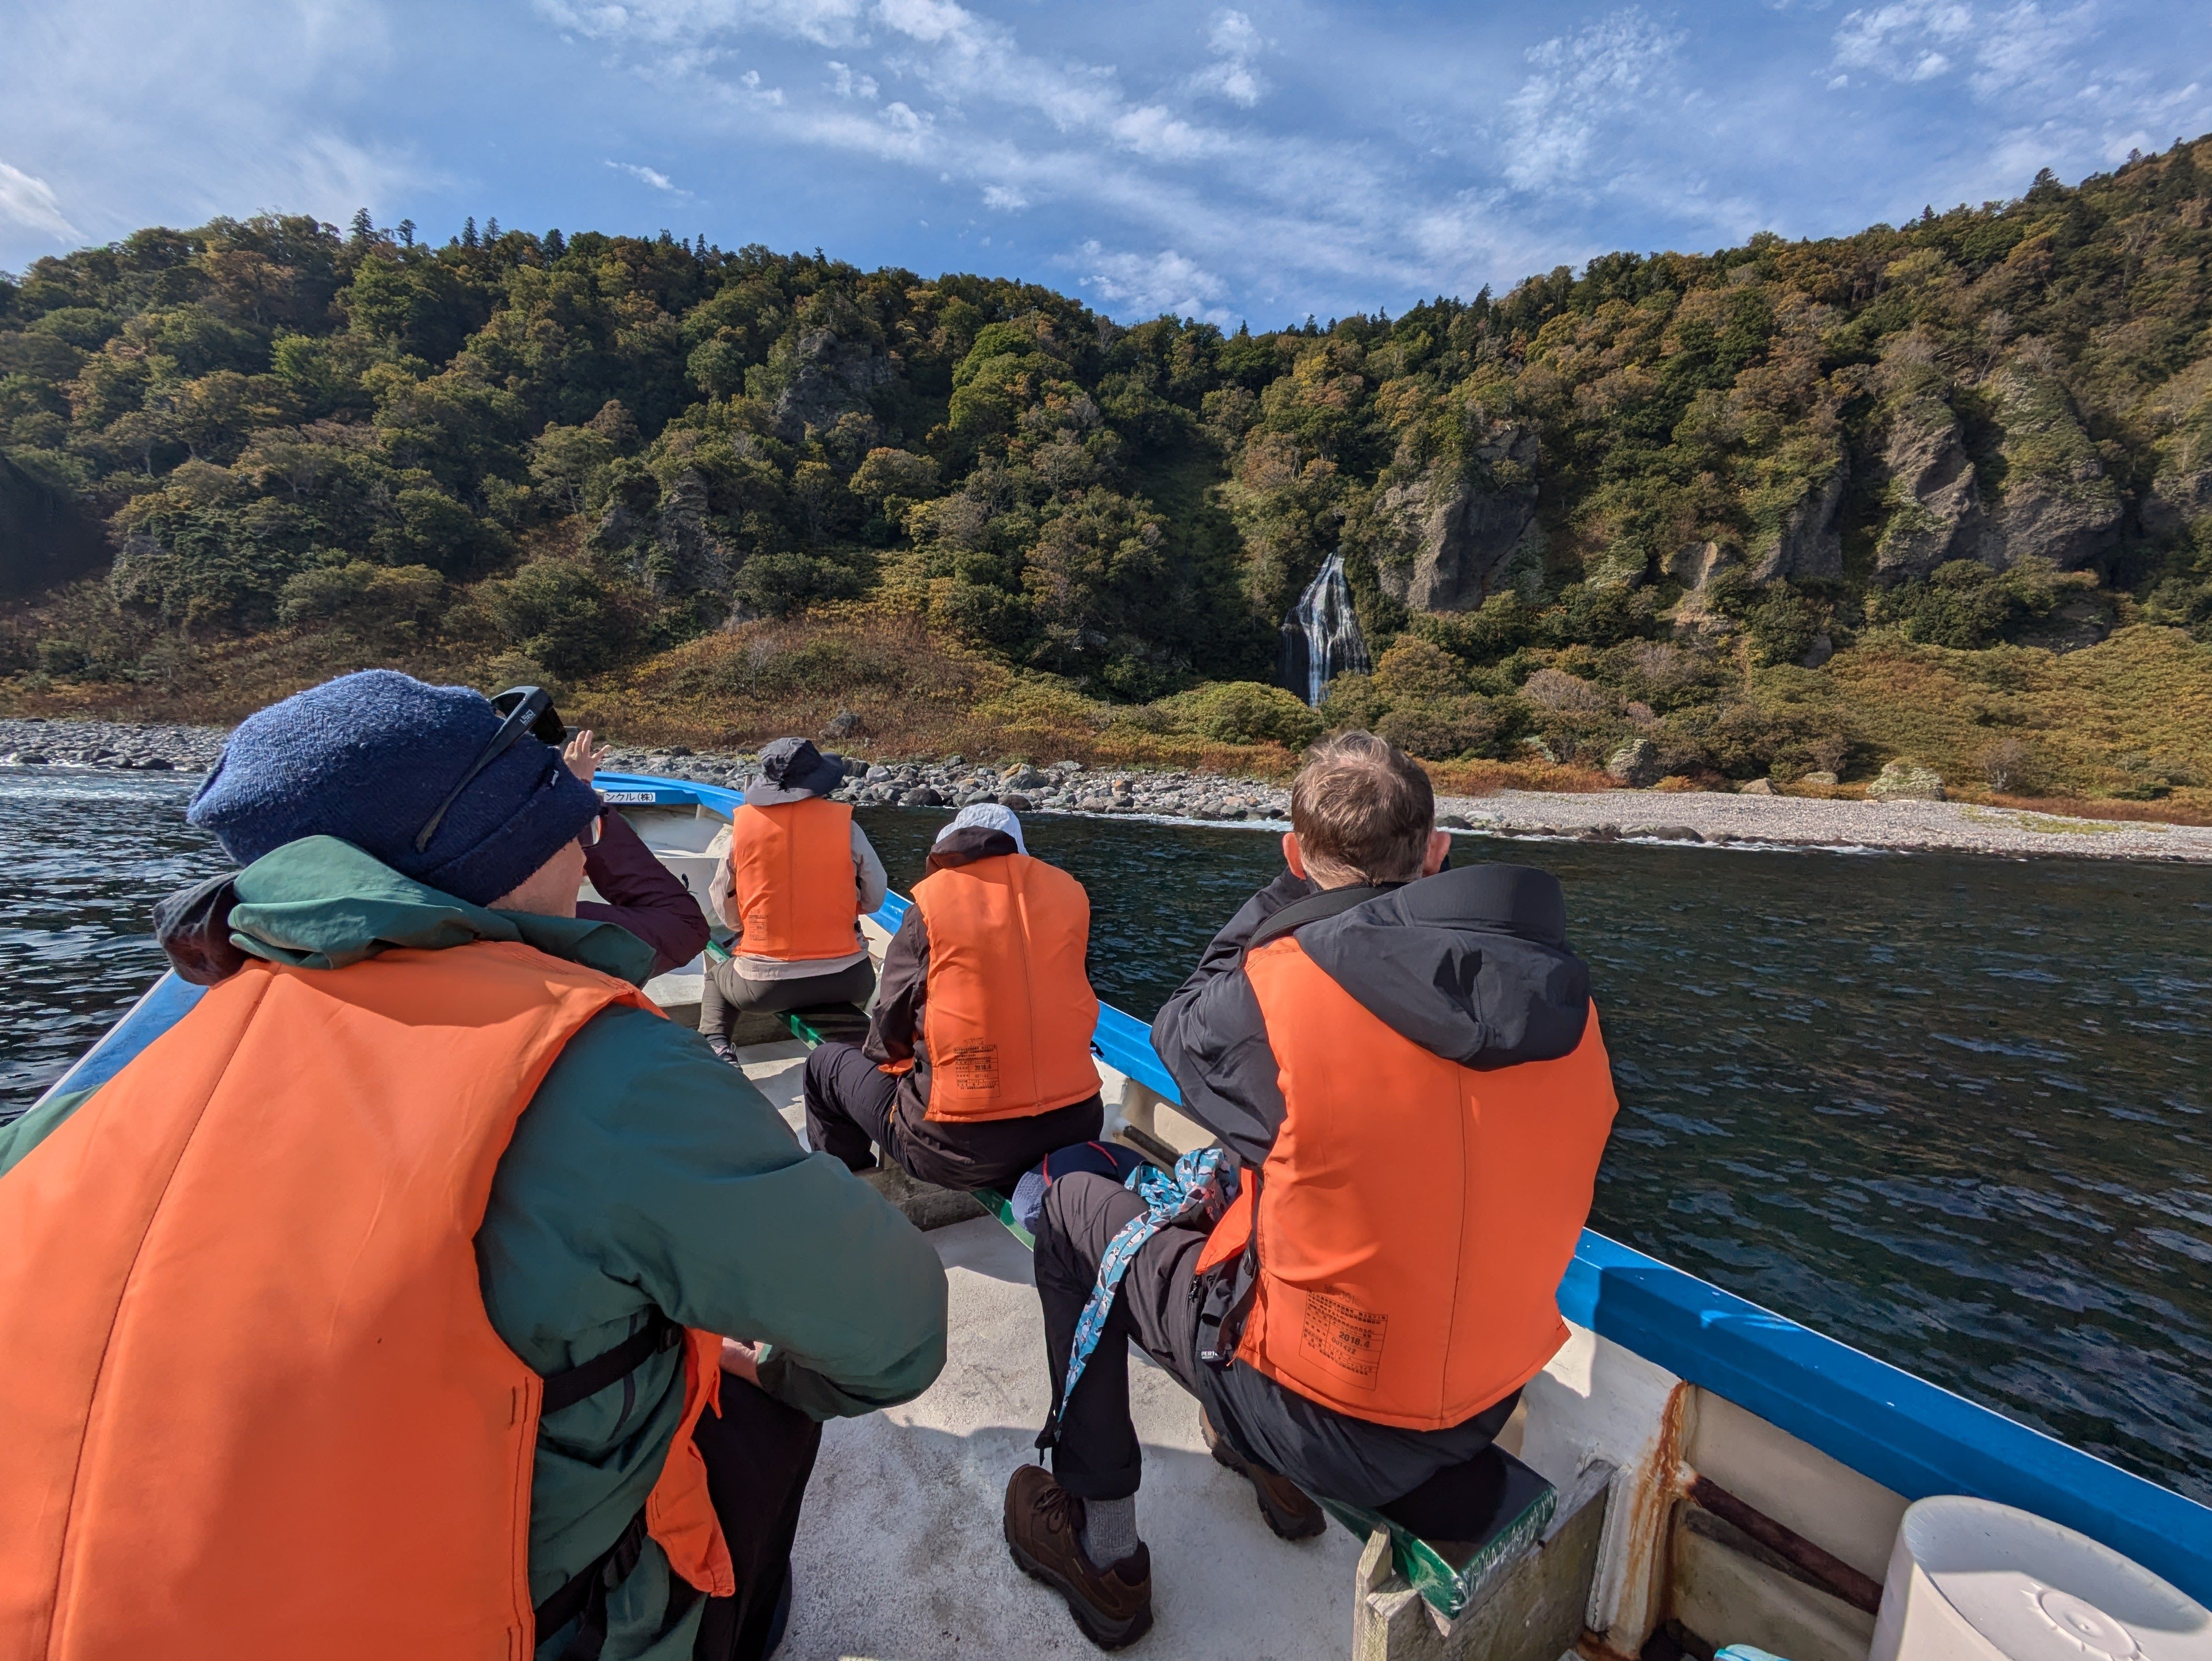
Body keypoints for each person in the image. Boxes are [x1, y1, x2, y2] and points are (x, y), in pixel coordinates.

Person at [0, 670, 948, 1661]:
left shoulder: (85, 1111)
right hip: (525, 1627)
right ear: (501, 847)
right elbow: (895, 1335)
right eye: (565, 817)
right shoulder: (602, 1072)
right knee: (755, 1412)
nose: (583, 837)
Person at [1002, 731, 1620, 1650]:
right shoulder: (1570, 1013)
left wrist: (1293, 898)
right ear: (1436, 851)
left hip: (1320, 1416)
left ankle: (1105, 1551)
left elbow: (1179, 1030)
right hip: (1486, 1398)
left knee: (1070, 1214)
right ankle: (1260, 1462)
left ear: (1292, 855)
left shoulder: (1272, 996)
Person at [801, 804, 1104, 1192]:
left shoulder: (930, 906)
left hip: (953, 1151)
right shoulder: (1070, 897)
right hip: (1074, 1131)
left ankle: (846, 1198)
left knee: (823, 1067)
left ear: (950, 847)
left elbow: (887, 1034)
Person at [700, 737, 887, 1054]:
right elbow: (875, 897)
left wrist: (744, 927)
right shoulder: (847, 827)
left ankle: (717, 1046)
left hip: (764, 988)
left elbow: (724, 904)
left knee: (718, 979)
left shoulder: (743, 830)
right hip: (850, 980)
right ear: (817, 782)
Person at [565, 728, 714, 979]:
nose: (582, 859)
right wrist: (576, 793)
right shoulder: (546, 928)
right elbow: (686, 929)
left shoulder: (490, 928)